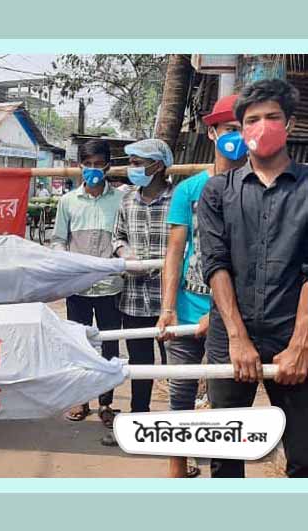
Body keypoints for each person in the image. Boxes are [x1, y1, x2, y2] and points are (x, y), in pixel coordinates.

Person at [198, 79, 308, 478]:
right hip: (230, 337)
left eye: (272, 117)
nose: (262, 126)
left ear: (289, 124)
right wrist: (237, 338)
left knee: (304, 456)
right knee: (226, 455)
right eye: (252, 119)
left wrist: (300, 343)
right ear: (241, 130)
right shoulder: (217, 191)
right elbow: (216, 264)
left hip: (293, 335)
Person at [156, 95, 248, 478]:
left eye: (243, 129)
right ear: (212, 133)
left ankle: (221, 470)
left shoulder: (257, 188)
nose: (236, 137)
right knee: (180, 392)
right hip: (188, 306)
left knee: (224, 399)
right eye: (229, 129)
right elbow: (175, 252)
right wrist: (168, 307)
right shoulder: (188, 190)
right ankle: (178, 469)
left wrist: (221, 314)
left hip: (234, 316)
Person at [52, 140, 123, 445]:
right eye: (88, 164)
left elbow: (123, 238)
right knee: (78, 344)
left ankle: (106, 403)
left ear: (108, 166)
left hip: (110, 287)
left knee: (110, 345)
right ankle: (80, 400)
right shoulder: (68, 202)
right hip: (78, 287)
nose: (93, 169)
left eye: (98, 164)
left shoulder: (120, 200)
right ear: (80, 165)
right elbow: (58, 240)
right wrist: (65, 262)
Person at [112, 138, 174, 413]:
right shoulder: (127, 201)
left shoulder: (179, 199)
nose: (132, 168)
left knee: (175, 363)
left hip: (169, 299)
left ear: (157, 166)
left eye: (137, 163)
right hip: (135, 298)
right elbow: (118, 237)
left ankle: (177, 419)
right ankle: (139, 415)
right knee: (139, 363)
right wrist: (126, 254)